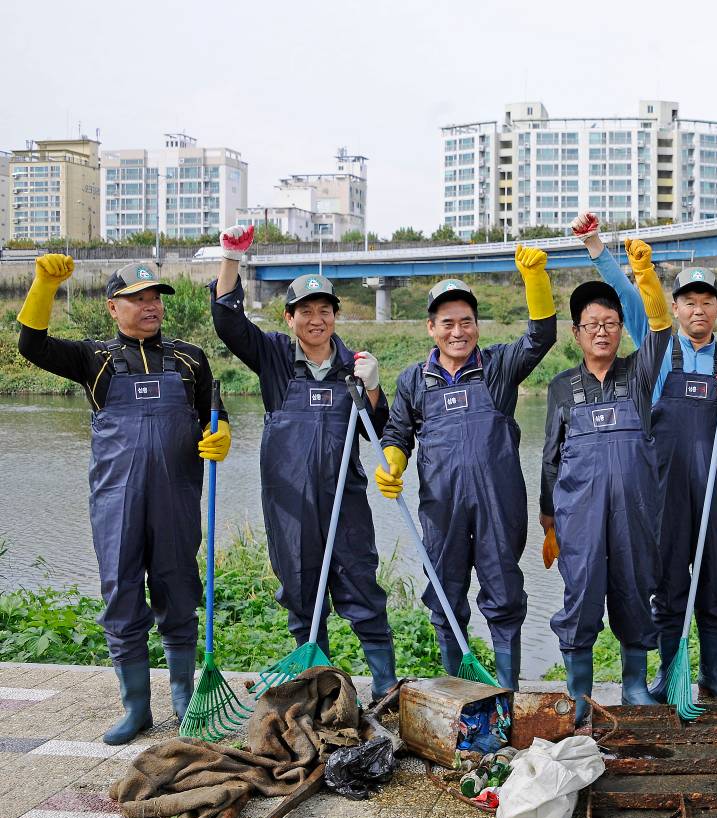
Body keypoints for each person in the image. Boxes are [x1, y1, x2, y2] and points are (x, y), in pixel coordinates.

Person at [17, 256, 230, 744]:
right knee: (121, 593)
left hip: (176, 496)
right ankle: (136, 707)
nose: (150, 305)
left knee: (178, 588)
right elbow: (31, 345)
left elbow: (210, 415)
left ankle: (182, 695)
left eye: (155, 297)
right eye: (138, 298)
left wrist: (222, 435)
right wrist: (44, 286)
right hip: (116, 500)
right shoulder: (95, 360)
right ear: (114, 308)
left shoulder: (191, 358)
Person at [569, 212, 717, 702]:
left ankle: (711, 674)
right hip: (664, 491)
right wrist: (597, 249)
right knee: (668, 582)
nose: (697, 310)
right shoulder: (660, 349)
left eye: (706, 302)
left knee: (715, 577)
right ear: (675, 306)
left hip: (714, 490)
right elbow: (630, 301)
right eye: (688, 301)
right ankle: (671, 674)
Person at [210, 225, 397, 700]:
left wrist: (373, 387)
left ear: (335, 316)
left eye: (325, 311)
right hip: (289, 501)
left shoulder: (354, 365)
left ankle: (385, 683)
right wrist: (232, 257)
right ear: (289, 318)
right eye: (306, 312)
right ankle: (321, 686)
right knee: (300, 591)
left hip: (344, 497)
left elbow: (377, 429)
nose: (317, 320)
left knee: (360, 585)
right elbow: (230, 324)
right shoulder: (272, 355)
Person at [374, 247, 557, 690]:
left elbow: (540, 337)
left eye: (467, 321)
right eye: (448, 323)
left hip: (500, 507)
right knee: (444, 596)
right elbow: (397, 432)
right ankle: (455, 690)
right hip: (442, 511)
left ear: (477, 325)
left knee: (504, 595)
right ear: (432, 328)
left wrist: (535, 279)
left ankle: (507, 690)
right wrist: (394, 462)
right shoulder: (414, 380)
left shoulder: (497, 367)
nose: (459, 331)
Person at [541, 236, 673, 722]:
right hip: (578, 517)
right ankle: (580, 695)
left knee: (636, 592)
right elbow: (550, 458)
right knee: (580, 596)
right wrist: (548, 519)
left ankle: (635, 687)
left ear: (620, 330)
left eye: (611, 324)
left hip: (636, 514)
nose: (602, 332)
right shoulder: (561, 388)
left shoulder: (639, 375)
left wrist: (645, 276)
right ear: (576, 333)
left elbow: (659, 331)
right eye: (592, 325)